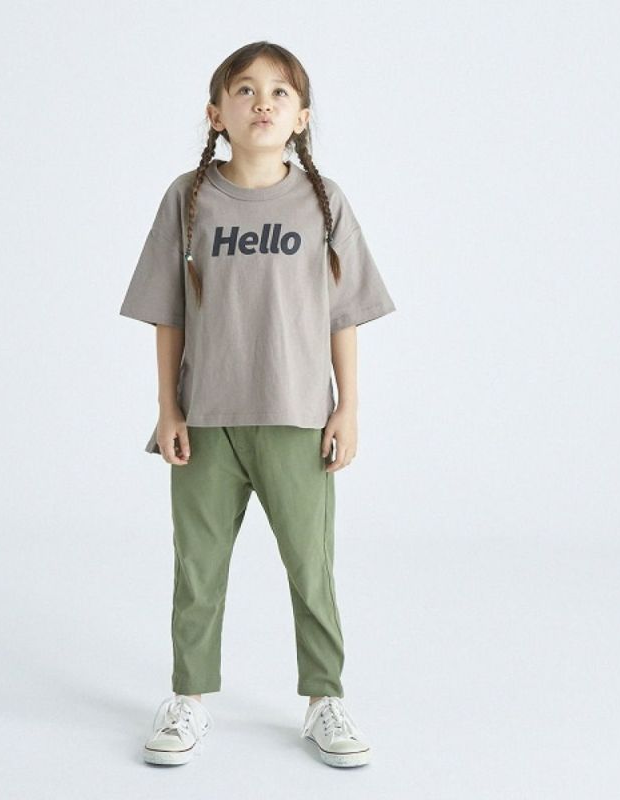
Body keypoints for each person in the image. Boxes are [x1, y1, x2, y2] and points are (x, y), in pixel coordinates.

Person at [119, 41, 396, 768]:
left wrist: (348, 408)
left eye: (280, 93)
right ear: (217, 113)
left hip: (299, 417)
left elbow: (343, 314)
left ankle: (325, 699)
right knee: (198, 567)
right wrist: (168, 409)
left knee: (311, 567)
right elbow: (167, 312)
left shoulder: (323, 202)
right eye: (244, 90)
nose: (262, 103)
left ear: (302, 117)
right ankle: (188, 697)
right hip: (205, 420)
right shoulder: (188, 198)